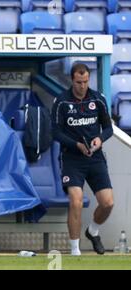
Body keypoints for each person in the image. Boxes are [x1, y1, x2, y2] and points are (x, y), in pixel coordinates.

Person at [51, 63, 114, 256]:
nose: (82, 86)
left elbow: (108, 128)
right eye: (79, 82)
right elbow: (55, 132)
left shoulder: (98, 99)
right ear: (72, 80)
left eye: (86, 81)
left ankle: (92, 231)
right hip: (72, 159)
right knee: (76, 201)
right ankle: (75, 251)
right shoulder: (61, 102)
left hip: (95, 157)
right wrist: (75, 144)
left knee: (108, 203)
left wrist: (99, 139)